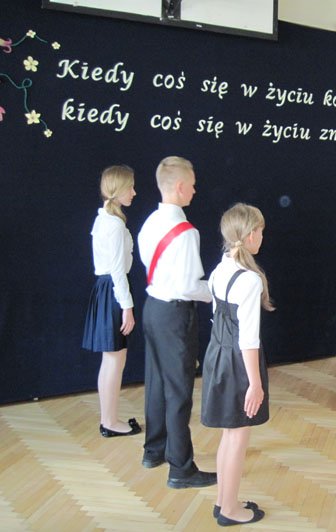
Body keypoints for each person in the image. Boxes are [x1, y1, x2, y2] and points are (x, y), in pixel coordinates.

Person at [137, 156, 215, 489]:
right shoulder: (186, 232)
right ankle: (181, 468)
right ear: (181, 187)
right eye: (193, 185)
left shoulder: (150, 221)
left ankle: (154, 450)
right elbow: (187, 286)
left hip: (153, 307)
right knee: (179, 391)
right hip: (175, 316)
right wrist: (215, 291)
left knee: (156, 384)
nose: (195, 191)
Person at [201, 203, 272, 526]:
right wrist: (255, 383)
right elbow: (248, 339)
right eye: (261, 231)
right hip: (238, 362)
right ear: (251, 234)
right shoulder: (249, 280)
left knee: (229, 434)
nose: (262, 237)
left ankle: (223, 500)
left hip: (217, 354)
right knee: (238, 436)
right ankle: (230, 510)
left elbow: (217, 317)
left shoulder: (220, 269)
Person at [82, 165, 142, 438]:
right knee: (115, 360)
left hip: (106, 289)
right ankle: (110, 422)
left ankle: (109, 419)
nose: (134, 192)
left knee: (111, 359)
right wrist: (127, 307)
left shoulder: (103, 219)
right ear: (118, 190)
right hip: (114, 291)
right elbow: (118, 270)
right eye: (130, 187)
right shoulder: (114, 225)